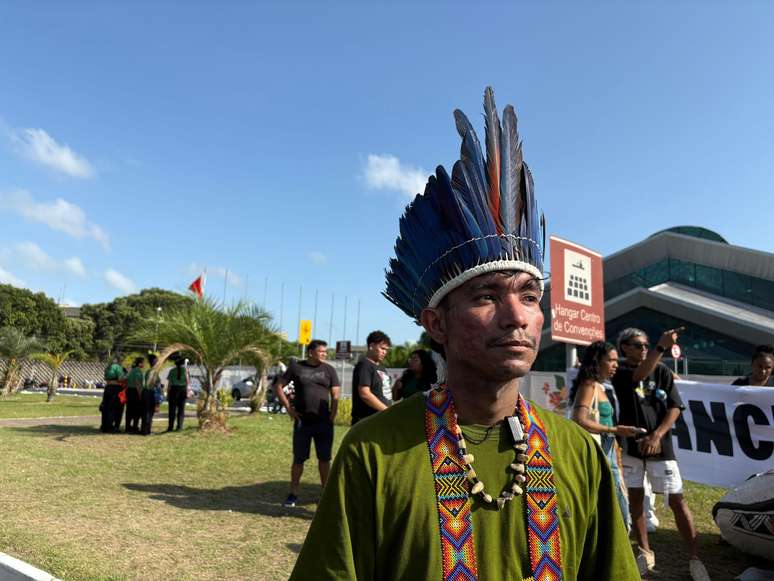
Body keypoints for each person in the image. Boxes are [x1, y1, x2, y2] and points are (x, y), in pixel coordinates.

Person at [291, 87, 639, 580]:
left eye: (529, 295)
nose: (516, 315)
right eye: (486, 296)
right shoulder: (373, 452)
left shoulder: (578, 453)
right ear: (437, 323)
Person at [612, 327, 710, 580]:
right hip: (632, 448)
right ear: (624, 348)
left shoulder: (663, 371)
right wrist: (660, 346)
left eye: (646, 345)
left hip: (661, 449)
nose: (644, 348)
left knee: (677, 501)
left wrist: (657, 435)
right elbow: (638, 376)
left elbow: (675, 407)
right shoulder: (620, 371)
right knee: (636, 499)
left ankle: (695, 557)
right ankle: (645, 550)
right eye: (637, 345)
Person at [570, 340, 644, 531]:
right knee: (615, 511)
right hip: (598, 452)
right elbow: (579, 419)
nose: (615, 365)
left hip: (608, 451)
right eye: (611, 360)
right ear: (597, 361)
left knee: (615, 506)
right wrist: (616, 430)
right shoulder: (589, 385)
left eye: (616, 361)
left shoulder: (600, 387)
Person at [273, 339, 341, 508]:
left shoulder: (329, 370)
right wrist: (289, 408)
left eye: (326, 351)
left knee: (324, 459)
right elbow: (278, 386)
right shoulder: (296, 367)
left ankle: (325, 494)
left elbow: (335, 395)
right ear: (311, 352)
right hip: (302, 422)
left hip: (323, 423)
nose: (325, 354)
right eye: (321, 351)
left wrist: (332, 416)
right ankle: (293, 493)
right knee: (298, 460)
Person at [350, 330, 392, 425]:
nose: (384, 352)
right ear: (371, 346)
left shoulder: (381, 368)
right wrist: (387, 411)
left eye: (386, 350)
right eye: (382, 348)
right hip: (367, 421)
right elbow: (365, 393)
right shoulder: (365, 365)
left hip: (380, 420)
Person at [100, 357, 125, 433]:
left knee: (106, 407)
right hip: (116, 388)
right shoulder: (118, 367)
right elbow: (120, 378)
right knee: (115, 408)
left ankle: (104, 425)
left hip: (107, 387)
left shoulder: (108, 368)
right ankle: (112, 426)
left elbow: (105, 378)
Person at [166, 354, 189, 432]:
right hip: (182, 390)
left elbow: (169, 384)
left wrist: (168, 394)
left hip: (173, 390)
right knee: (181, 410)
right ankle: (179, 427)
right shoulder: (185, 370)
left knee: (172, 410)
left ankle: (170, 427)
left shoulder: (172, 371)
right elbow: (187, 382)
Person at [141, 353, 161, 435]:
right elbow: (156, 385)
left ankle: (144, 430)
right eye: (156, 361)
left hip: (146, 393)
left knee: (145, 412)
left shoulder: (148, 371)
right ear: (153, 362)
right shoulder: (154, 372)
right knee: (149, 413)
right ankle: (147, 431)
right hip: (150, 393)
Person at [124, 357, 145, 434]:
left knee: (129, 410)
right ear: (139, 364)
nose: (144, 364)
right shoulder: (137, 371)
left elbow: (125, 379)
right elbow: (137, 383)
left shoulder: (131, 370)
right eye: (143, 363)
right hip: (135, 392)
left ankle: (127, 426)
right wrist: (140, 394)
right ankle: (135, 427)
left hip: (129, 391)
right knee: (136, 410)